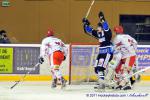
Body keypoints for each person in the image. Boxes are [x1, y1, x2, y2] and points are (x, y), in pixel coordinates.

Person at [82, 11, 113, 89]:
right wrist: (86, 23)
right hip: (101, 52)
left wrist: (102, 18)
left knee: (100, 68)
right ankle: (103, 81)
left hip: (107, 52)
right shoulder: (98, 33)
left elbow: (105, 26)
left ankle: (103, 83)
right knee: (96, 69)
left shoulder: (107, 32)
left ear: (102, 28)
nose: (97, 28)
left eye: (99, 27)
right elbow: (89, 31)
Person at [105, 25, 138, 90]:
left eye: (114, 31)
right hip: (128, 56)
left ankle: (125, 84)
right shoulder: (128, 36)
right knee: (119, 70)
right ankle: (123, 83)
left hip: (128, 56)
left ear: (116, 32)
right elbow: (135, 43)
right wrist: (133, 51)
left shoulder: (118, 37)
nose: (114, 33)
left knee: (124, 71)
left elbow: (114, 48)